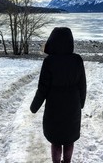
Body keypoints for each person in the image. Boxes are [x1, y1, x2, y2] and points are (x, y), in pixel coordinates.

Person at [30, 27, 87, 163]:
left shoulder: (49, 61)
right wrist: (81, 103)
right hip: (72, 106)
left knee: (56, 141)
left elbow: (42, 88)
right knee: (69, 139)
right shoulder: (77, 60)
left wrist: (34, 107)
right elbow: (82, 85)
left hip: (54, 107)